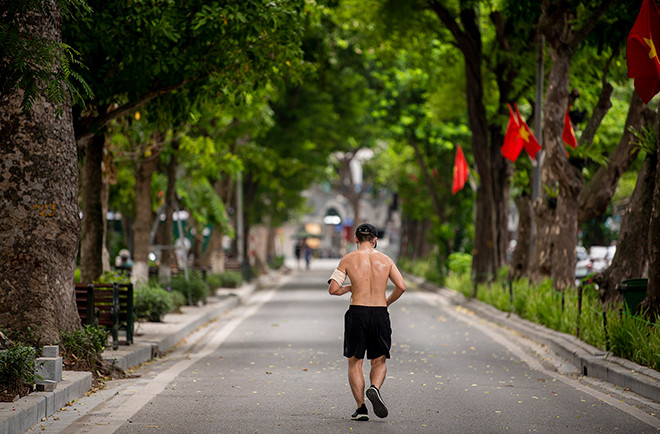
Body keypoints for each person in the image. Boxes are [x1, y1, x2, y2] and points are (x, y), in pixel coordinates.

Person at [327, 223, 406, 421]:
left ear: (355, 239)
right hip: (380, 313)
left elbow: (333, 289)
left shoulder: (347, 259)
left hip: (357, 313)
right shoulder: (386, 260)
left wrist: (350, 288)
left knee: (355, 362)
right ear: (375, 240)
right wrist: (385, 302)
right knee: (379, 360)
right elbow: (401, 287)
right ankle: (375, 388)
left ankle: (361, 408)